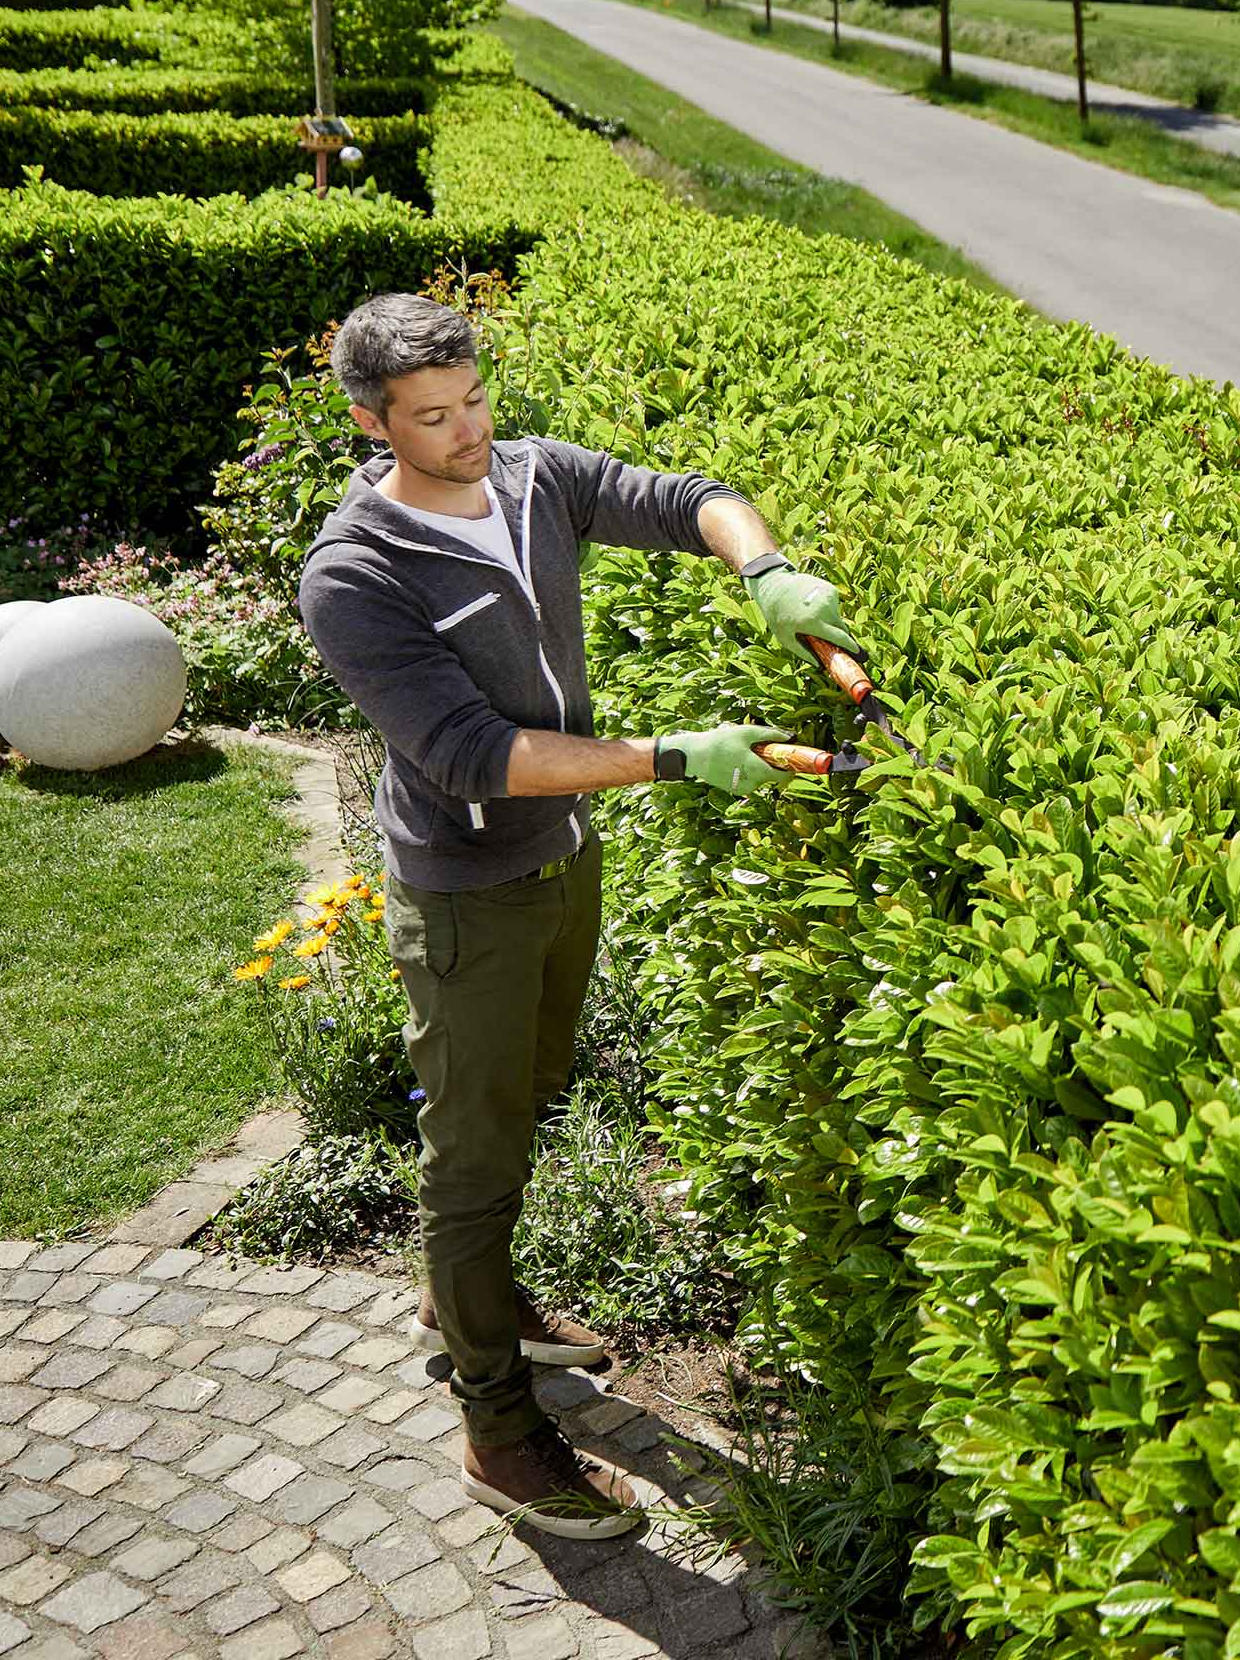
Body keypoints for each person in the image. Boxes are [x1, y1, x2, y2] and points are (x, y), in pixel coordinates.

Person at [297, 291, 857, 1540]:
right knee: (474, 1156)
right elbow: (474, 756)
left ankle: (466, 1299)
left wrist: (762, 565)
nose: (466, 431)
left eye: (475, 399)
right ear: (370, 422)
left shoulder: (535, 479)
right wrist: (675, 757)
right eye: (432, 418)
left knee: (536, 1087)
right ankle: (498, 1430)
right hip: (468, 889)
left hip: (563, 860)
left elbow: (685, 494)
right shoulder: (356, 574)